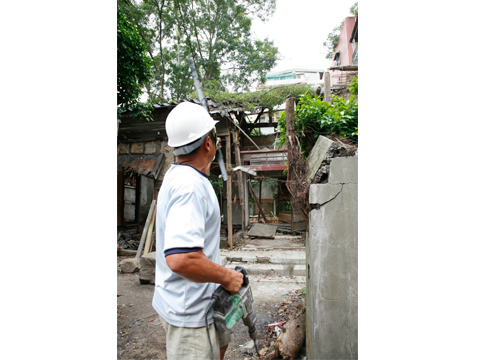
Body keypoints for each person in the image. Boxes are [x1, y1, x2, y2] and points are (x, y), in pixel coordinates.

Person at [152, 101, 244, 360]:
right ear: (208, 143)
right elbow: (182, 259)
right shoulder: (189, 187)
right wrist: (226, 277)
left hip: (194, 302)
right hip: (189, 314)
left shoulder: (178, 174)